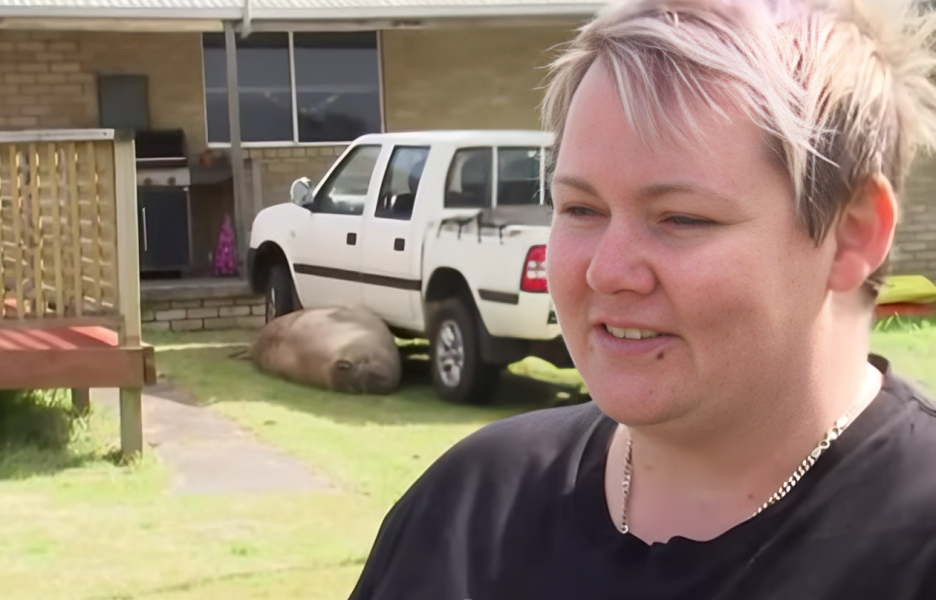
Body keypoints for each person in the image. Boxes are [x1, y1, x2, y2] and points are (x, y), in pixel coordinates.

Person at [348, 1, 936, 598]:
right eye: (580, 208)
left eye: (680, 218)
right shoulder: (468, 517)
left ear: (852, 233)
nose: (607, 271)